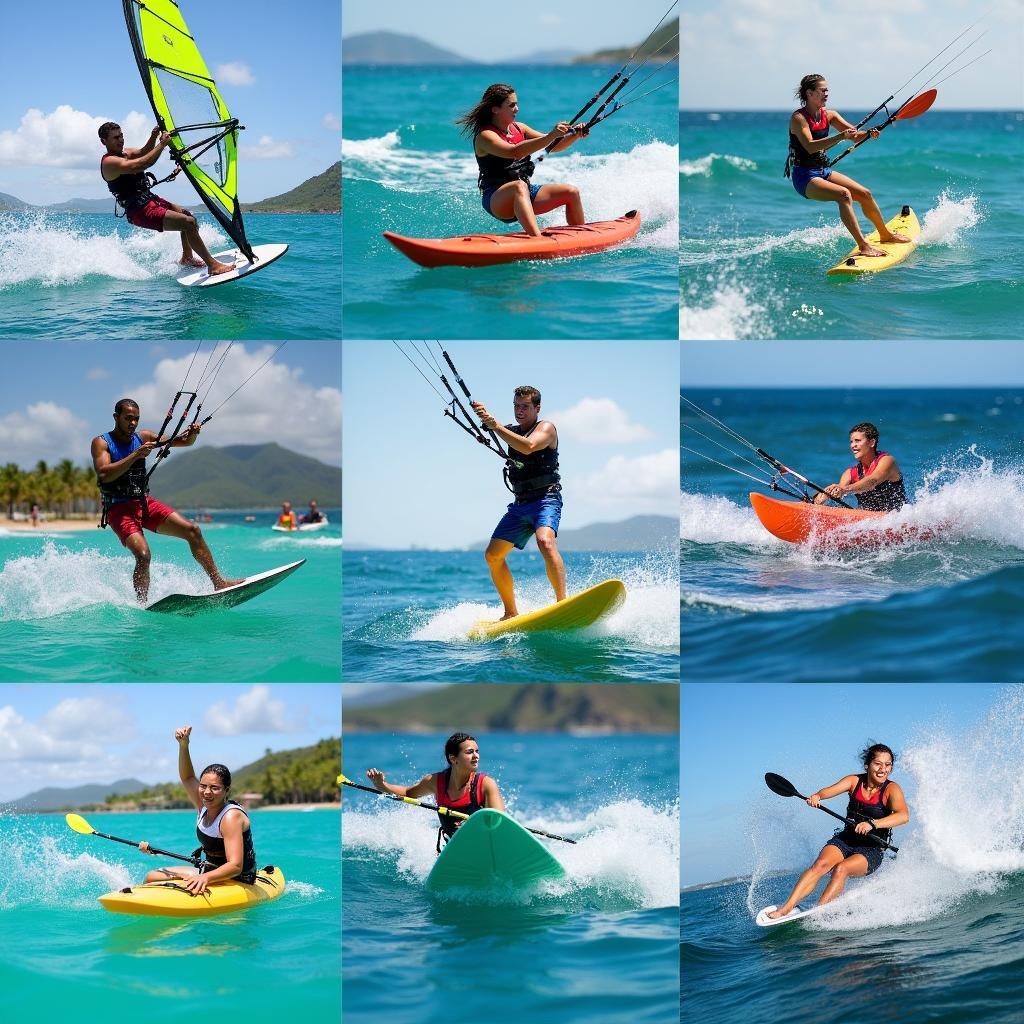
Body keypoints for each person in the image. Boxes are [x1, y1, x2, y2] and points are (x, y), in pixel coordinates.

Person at [91, 398, 241, 602]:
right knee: (143, 555)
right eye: (128, 418)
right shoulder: (101, 442)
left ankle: (218, 582)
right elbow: (103, 474)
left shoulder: (143, 437)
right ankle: (142, 605)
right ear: (116, 417)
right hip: (119, 509)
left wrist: (193, 433)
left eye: (136, 419)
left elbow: (185, 442)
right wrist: (136, 455)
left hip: (143, 503)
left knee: (193, 530)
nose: (133, 423)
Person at [767, 743, 909, 919]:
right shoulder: (854, 781)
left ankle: (819, 911)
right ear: (867, 765)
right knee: (820, 865)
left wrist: (873, 824)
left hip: (871, 849)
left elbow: (903, 816)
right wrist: (818, 796)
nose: (883, 769)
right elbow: (828, 791)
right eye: (878, 764)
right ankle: (785, 908)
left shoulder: (891, 789)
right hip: (846, 839)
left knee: (841, 869)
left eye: (888, 765)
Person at [785, 75, 911, 258]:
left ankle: (885, 235)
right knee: (844, 195)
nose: (826, 93)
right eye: (822, 90)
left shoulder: (830, 115)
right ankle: (863, 246)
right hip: (805, 177)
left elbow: (853, 134)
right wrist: (840, 137)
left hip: (823, 171)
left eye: (827, 89)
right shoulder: (798, 118)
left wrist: (869, 133)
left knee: (865, 194)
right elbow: (810, 146)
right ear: (809, 93)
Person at [470, 386, 566, 620]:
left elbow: (529, 445)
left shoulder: (547, 428)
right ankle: (510, 612)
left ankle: (563, 603)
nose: (519, 410)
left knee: (545, 541)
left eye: (525, 406)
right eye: (516, 406)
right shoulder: (510, 431)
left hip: (546, 499)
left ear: (537, 408)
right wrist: (485, 417)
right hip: (520, 504)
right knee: (492, 556)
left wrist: (496, 426)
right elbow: (506, 434)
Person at [98, 121, 234, 277]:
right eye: (116, 137)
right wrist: (162, 144)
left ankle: (187, 258)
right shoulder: (109, 163)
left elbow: (143, 151)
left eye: (121, 135)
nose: (121, 140)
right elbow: (142, 163)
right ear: (104, 141)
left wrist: (154, 136)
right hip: (139, 210)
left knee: (188, 216)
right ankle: (213, 266)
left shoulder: (125, 153)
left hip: (150, 199)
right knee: (188, 224)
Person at [456, 83, 589, 235]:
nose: (517, 109)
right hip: (497, 199)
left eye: (516, 104)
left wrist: (575, 135)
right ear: (495, 109)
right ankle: (537, 239)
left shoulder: (520, 128)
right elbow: (514, 152)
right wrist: (551, 135)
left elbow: (555, 146)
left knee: (570, 192)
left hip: (525, 192)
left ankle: (581, 237)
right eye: (511, 105)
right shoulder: (485, 136)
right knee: (518, 186)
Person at [138, 725, 258, 891]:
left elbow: (235, 865)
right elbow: (187, 777)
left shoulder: (231, 817)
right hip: (210, 870)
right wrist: (183, 745)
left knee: (187, 886)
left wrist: (204, 877)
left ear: (226, 791)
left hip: (237, 878)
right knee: (152, 876)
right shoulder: (203, 806)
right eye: (203, 786)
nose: (207, 792)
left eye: (214, 788)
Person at [366, 732, 505, 851]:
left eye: (477, 751)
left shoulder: (485, 784)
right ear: (453, 758)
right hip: (453, 851)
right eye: (469, 752)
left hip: (484, 847)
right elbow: (408, 793)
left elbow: (500, 822)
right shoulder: (436, 782)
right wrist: (381, 784)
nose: (476, 756)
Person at [815, 421, 906, 511]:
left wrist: (844, 489)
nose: (853, 445)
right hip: (867, 521)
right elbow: (840, 489)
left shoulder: (887, 461)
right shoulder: (850, 473)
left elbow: (873, 481)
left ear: (872, 443)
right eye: (851, 442)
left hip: (896, 520)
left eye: (857, 441)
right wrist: (826, 495)